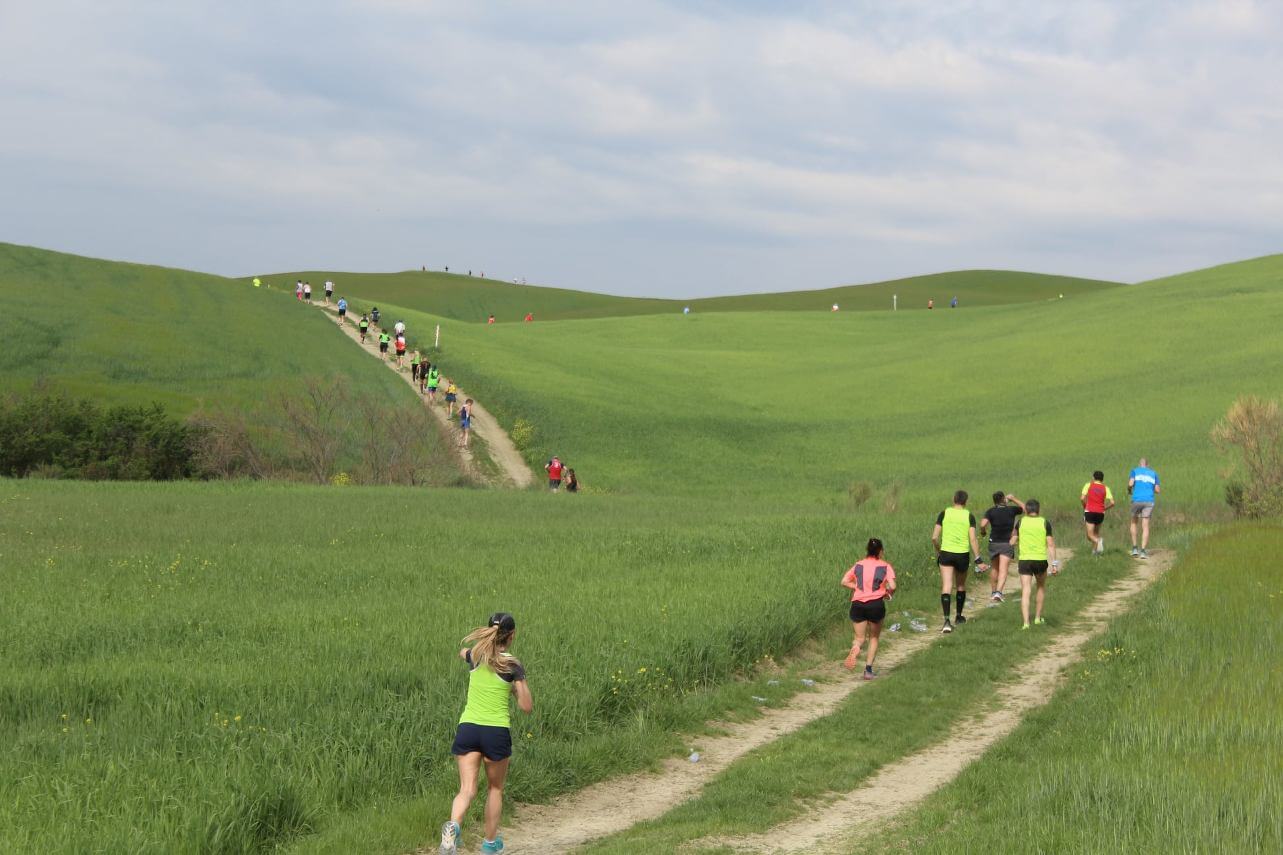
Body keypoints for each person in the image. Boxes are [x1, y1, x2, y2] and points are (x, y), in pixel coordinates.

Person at [439, 612, 532, 855]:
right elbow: (526, 706)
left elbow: (463, 653)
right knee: (495, 788)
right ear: (511, 636)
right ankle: (490, 845)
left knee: (466, 789)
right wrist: (514, 687)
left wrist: (471, 653)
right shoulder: (513, 664)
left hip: (468, 728)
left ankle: (453, 827)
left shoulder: (475, 656)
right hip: (495, 732)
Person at [931, 490, 988, 633]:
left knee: (947, 585)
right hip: (962, 554)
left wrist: (939, 550)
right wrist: (978, 559)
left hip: (946, 553)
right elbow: (973, 539)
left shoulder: (944, 513)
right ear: (966, 501)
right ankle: (959, 616)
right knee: (961, 585)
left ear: (953, 499)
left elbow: (934, 537)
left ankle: (946, 620)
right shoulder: (969, 516)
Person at [841, 537, 897, 679]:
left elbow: (844, 581)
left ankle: (855, 648)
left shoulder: (858, 565)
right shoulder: (885, 566)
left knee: (859, 638)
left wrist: (857, 587)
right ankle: (868, 670)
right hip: (875, 605)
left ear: (867, 550)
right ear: (881, 551)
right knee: (874, 637)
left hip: (858, 604)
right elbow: (893, 586)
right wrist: (887, 593)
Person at [1011, 499, 1059, 629]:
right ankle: (1037, 618)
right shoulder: (1045, 523)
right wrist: (1054, 564)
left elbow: (1012, 541)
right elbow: (1050, 544)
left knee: (1026, 590)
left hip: (1025, 560)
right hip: (1040, 560)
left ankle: (1026, 623)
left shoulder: (1020, 522)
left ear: (1026, 510)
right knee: (1040, 587)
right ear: (1038, 510)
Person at [979, 492, 1026, 603]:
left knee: (995, 568)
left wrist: (983, 532)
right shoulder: (1011, 510)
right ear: (1004, 499)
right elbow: (1025, 508)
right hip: (1006, 543)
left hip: (994, 543)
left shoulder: (990, 511)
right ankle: (999, 593)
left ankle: (993, 592)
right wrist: (1013, 498)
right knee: (1003, 569)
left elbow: (982, 524)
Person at [1127, 458, 1160, 559]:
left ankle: (1134, 549)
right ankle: (1143, 551)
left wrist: (1129, 490)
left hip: (1136, 499)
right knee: (1145, 525)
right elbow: (1157, 490)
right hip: (1149, 501)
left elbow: (1130, 484)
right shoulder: (1154, 473)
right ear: (1147, 464)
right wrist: (1149, 490)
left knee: (1133, 522)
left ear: (1139, 464)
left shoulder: (1135, 471)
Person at [1080, 471, 1115, 556]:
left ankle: (1098, 541)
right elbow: (1112, 503)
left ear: (1093, 477)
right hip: (1100, 513)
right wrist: (1105, 508)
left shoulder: (1088, 485)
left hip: (1090, 511)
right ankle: (1094, 553)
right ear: (1102, 479)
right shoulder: (1106, 488)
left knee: (1089, 536)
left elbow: (1082, 498)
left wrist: (1085, 506)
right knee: (1095, 534)